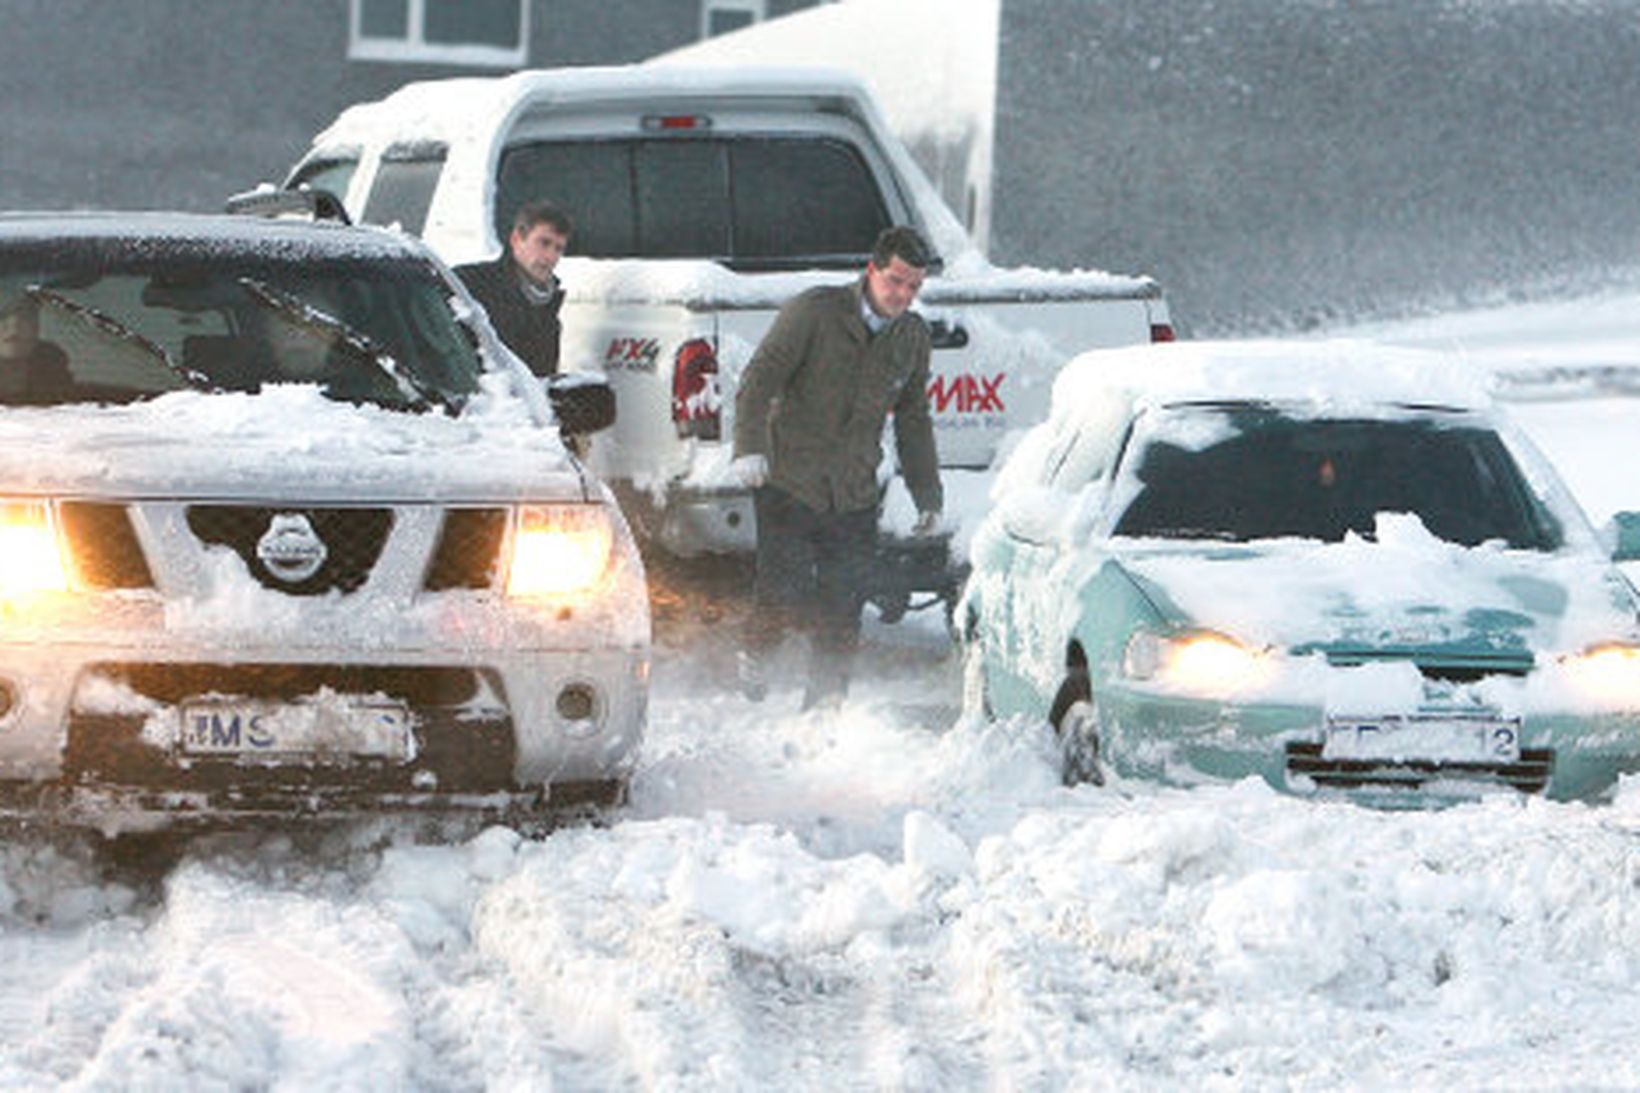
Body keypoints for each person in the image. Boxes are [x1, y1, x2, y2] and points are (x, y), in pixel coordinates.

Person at [731, 225, 944, 710]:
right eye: (895, 281)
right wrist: (748, 447)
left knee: (843, 608)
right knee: (780, 591)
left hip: (853, 492)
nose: (903, 295)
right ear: (872, 270)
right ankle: (758, 652)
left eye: (914, 287)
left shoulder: (911, 336)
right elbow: (760, 378)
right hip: (789, 480)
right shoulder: (816, 311)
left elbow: (913, 418)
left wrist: (928, 495)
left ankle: (823, 712)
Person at [454, 200, 573, 378]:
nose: (550, 256)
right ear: (516, 239)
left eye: (558, 248)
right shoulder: (471, 284)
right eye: (544, 243)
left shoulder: (548, 312)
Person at [0, 291, 73, 404]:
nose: (14, 329)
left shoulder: (54, 374)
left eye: (24, 319)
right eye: (2, 318)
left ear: (36, 329)